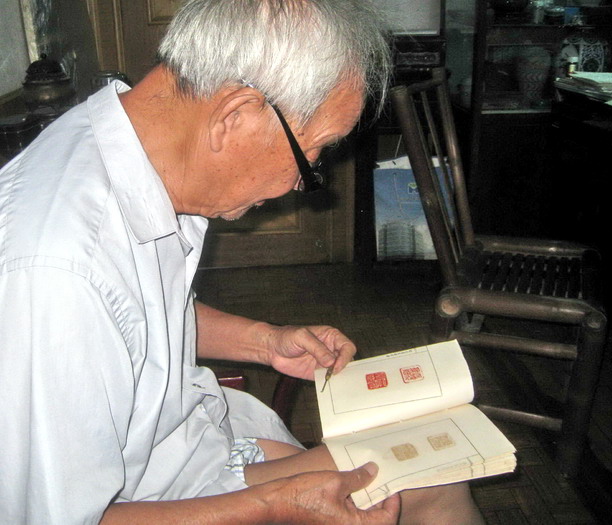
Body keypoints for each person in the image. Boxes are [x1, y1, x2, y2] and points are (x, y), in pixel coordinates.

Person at [0, 1, 485, 523]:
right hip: (144, 500)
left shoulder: (130, 146)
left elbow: (129, 319)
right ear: (234, 117)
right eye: (313, 155)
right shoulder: (56, 274)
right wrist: (273, 507)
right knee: (429, 480)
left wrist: (263, 341)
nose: (301, 184)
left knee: (430, 461)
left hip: (183, 450)